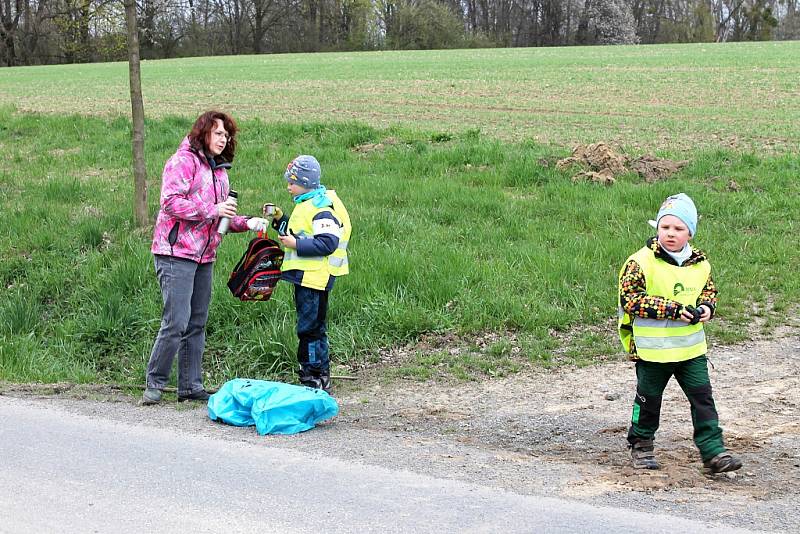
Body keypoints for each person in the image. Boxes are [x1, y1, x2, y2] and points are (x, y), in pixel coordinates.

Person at [142, 111, 269, 405]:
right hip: (175, 252)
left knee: (197, 321)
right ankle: (155, 384)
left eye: (227, 135)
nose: (223, 140)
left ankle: (190, 386)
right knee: (176, 321)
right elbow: (171, 203)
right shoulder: (183, 161)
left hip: (205, 255)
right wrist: (213, 210)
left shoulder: (220, 171)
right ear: (203, 133)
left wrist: (246, 222)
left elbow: (220, 217)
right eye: (218, 133)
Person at [618, 193, 742, 473]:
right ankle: (641, 445)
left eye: (678, 229)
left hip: (691, 350)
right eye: (665, 227)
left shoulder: (701, 264)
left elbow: (709, 291)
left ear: (690, 232)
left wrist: (707, 307)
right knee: (648, 401)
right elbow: (631, 300)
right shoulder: (639, 262)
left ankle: (714, 453)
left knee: (703, 400)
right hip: (652, 352)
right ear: (657, 228)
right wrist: (673, 309)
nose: (670, 234)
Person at [264, 155, 351, 392]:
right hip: (307, 277)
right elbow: (299, 231)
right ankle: (320, 374)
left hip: (314, 278)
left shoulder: (321, 209)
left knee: (309, 329)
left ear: (305, 182)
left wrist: (295, 245)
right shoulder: (307, 203)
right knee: (314, 327)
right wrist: (281, 219)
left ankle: (312, 376)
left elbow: (327, 242)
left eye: (292, 182)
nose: (288, 186)